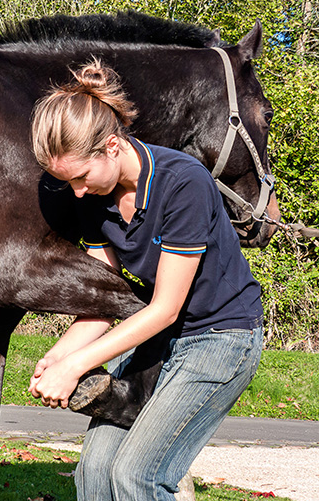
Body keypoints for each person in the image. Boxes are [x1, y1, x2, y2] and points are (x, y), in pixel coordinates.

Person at [28, 59, 263, 501]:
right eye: (68, 181)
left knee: (138, 476)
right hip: (160, 339)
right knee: (95, 472)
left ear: (112, 146)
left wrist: (77, 366)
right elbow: (104, 299)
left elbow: (165, 307)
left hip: (222, 338)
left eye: (80, 177)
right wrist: (58, 355)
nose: (77, 191)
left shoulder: (183, 184)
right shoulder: (95, 199)